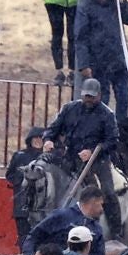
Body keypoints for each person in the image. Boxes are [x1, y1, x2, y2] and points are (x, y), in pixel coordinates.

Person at [45, 78, 122, 211]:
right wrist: (48, 139)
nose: (89, 99)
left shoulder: (107, 115)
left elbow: (113, 140)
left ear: (99, 95)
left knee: (108, 192)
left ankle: (115, 229)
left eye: (92, 97)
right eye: (87, 96)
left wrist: (92, 152)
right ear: (82, 94)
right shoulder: (69, 109)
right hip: (70, 157)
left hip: (98, 161)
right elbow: (53, 128)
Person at [73, 0, 128, 116]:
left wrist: (121, 1)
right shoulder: (86, 8)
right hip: (98, 62)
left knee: (123, 98)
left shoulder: (115, 4)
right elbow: (80, 38)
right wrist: (84, 65)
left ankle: (120, 132)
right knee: (103, 100)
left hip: (118, 61)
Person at [25, 185, 108, 255]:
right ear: (92, 202)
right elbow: (33, 236)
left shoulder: (97, 229)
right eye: (100, 204)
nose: (102, 209)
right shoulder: (61, 216)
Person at [6, 126, 48, 246]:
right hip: (23, 204)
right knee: (24, 236)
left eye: (41, 138)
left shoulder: (48, 158)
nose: (38, 141)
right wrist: (23, 181)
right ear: (30, 139)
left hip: (42, 207)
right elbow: (10, 175)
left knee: (41, 237)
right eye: (35, 138)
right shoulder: (20, 156)